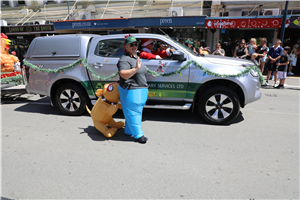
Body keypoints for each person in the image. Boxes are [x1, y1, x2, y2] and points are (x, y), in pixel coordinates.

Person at [117, 35, 148, 144]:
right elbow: (123, 74)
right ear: (125, 46)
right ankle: (139, 135)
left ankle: (128, 130)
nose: (134, 46)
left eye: (136, 44)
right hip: (131, 90)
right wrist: (135, 69)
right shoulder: (124, 59)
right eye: (131, 44)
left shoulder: (135, 57)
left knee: (136, 111)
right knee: (134, 112)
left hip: (140, 90)